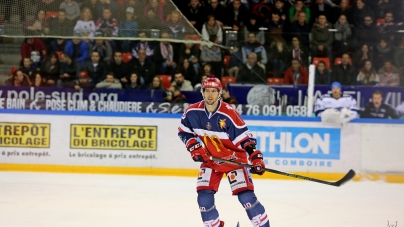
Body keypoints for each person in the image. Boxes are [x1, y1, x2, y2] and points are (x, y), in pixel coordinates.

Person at [177, 77, 269, 227]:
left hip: (234, 161)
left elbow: (246, 138)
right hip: (211, 161)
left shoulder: (229, 113)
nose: (210, 95)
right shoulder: (192, 112)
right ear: (202, 92)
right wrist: (194, 147)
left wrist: (255, 157)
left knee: (246, 198)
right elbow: (183, 132)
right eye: (207, 91)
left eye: (214, 91)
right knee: (204, 201)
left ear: (220, 93)